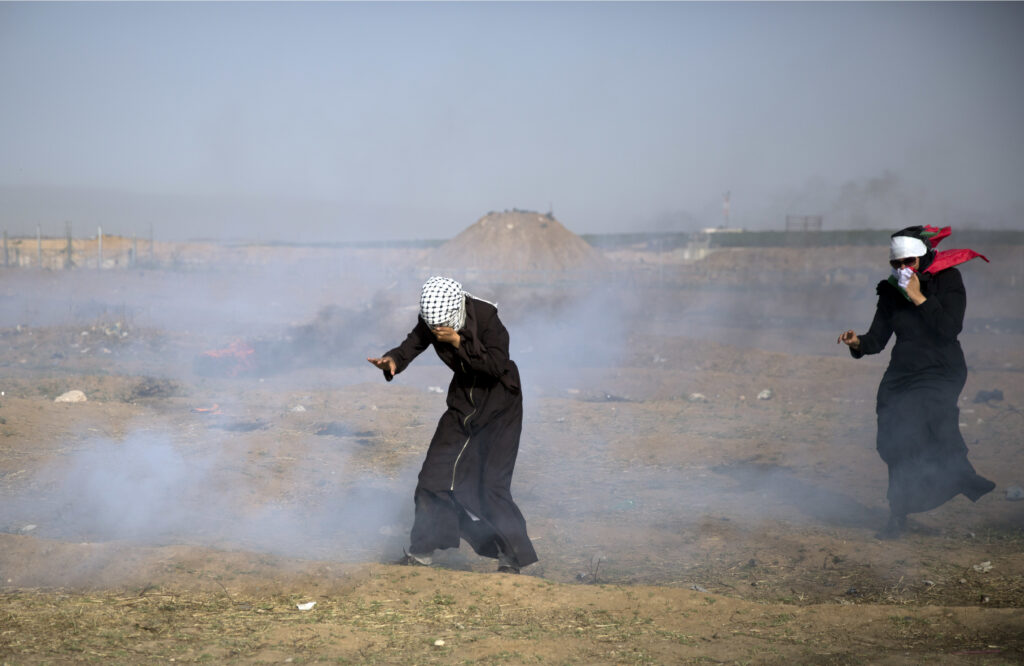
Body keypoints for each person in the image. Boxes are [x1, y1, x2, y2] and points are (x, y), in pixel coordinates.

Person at [367, 276, 538, 572]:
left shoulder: (487, 318)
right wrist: (394, 361)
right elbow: (413, 344)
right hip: (462, 404)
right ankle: (421, 553)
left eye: (440, 327)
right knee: (432, 477)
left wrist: (460, 341)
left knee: (491, 486)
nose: (436, 331)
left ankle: (511, 559)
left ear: (456, 309)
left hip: (500, 406)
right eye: (432, 326)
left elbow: (496, 367)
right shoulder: (433, 320)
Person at [838, 225, 995, 539]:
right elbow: (878, 340)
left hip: (941, 369)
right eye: (895, 264)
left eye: (908, 262)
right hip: (902, 373)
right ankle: (898, 514)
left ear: (923, 257)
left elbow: (950, 329)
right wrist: (857, 342)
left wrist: (920, 298)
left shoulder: (948, 280)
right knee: (895, 441)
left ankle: (958, 474)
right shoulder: (890, 291)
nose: (901, 269)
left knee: (931, 416)